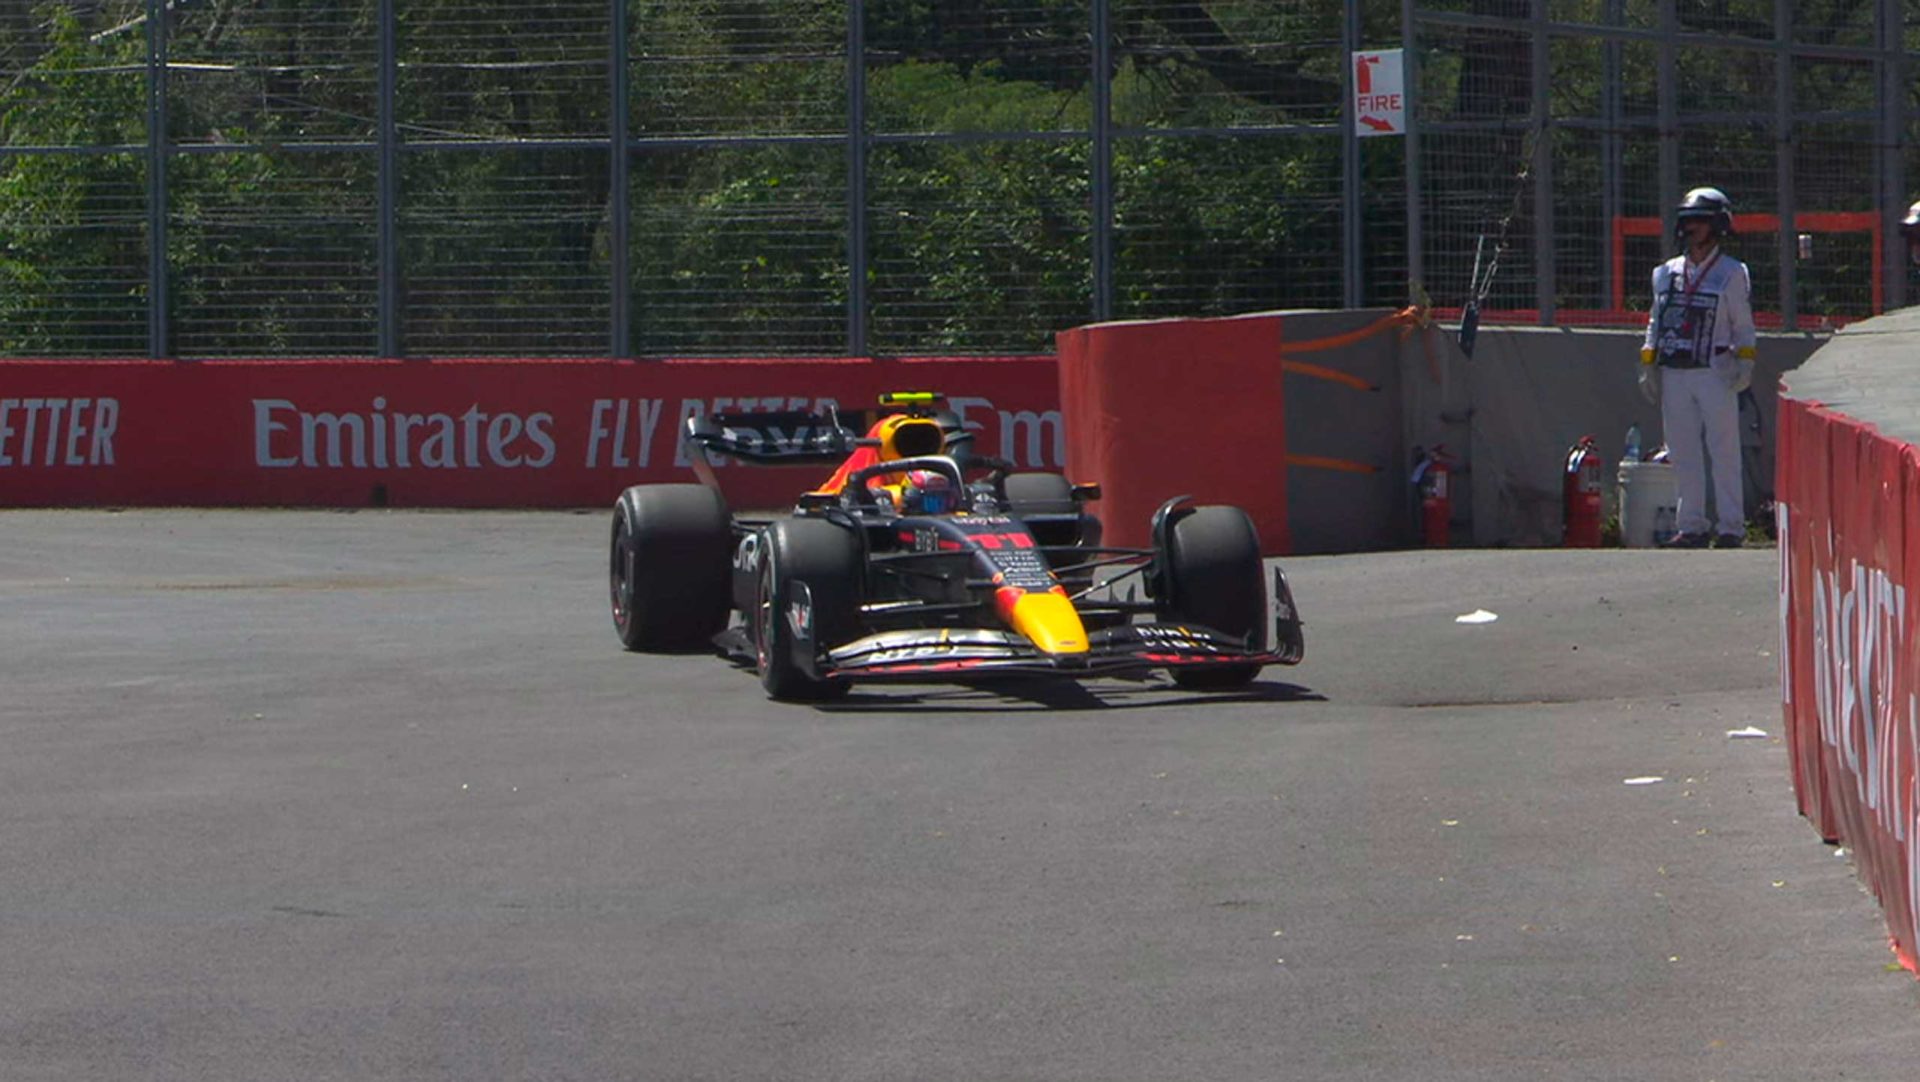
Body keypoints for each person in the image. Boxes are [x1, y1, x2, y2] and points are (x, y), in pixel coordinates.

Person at [1638, 186, 1757, 549]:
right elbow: (1655, 321)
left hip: (1715, 370)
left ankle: (1731, 526)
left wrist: (1745, 362)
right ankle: (1691, 525)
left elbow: (1743, 325)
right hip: (1675, 371)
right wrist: (1648, 363)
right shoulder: (1665, 273)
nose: (1692, 228)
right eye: (1688, 221)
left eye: (1701, 222)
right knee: (1682, 450)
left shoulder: (1732, 272)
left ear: (1718, 225)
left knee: (1724, 450)